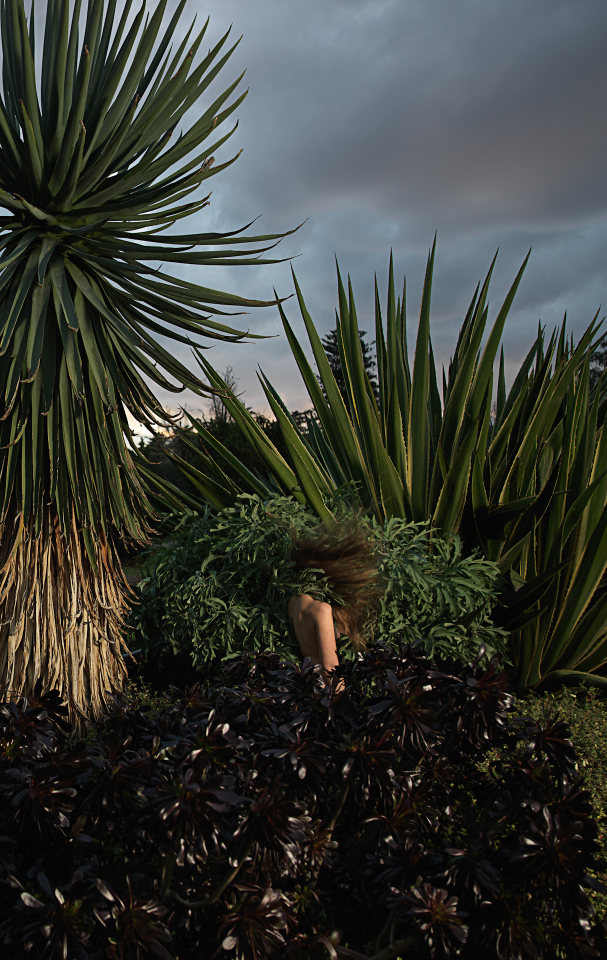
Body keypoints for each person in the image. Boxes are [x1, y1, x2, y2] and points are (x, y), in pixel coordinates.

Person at [287, 518, 383, 689]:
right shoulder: (321, 609)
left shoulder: (293, 602)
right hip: (325, 686)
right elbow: (330, 667)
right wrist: (340, 702)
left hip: (307, 679)